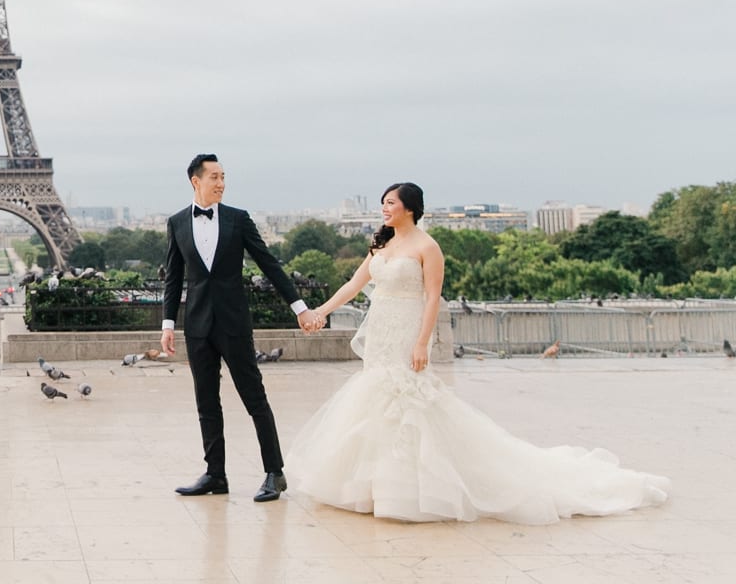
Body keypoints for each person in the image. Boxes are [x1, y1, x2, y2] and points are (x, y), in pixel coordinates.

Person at [288, 182, 670, 523]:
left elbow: (432, 296)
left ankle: (411, 488)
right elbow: (355, 283)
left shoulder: (427, 246)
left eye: (390, 203)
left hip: (406, 327)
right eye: (383, 203)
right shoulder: (382, 244)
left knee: (409, 399)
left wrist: (422, 342)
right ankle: (374, 485)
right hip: (381, 330)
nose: (384, 209)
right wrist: (322, 311)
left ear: (409, 208)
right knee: (376, 399)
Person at [161, 154, 322, 502]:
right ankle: (215, 474)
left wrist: (300, 307)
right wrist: (167, 324)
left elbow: (269, 264)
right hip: (198, 327)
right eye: (215, 177)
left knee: (254, 398)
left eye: (223, 176)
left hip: (233, 323)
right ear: (196, 181)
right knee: (206, 402)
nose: (221, 183)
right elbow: (174, 279)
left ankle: (274, 472)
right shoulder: (176, 223)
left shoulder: (238, 219)